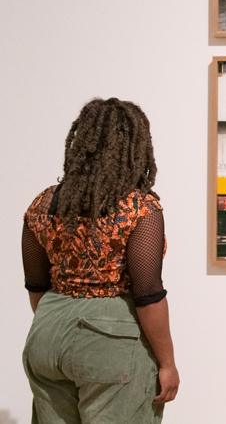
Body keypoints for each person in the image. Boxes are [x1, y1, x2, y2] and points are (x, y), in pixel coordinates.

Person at [21, 98, 179, 422]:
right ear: (135, 148)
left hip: (47, 333)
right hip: (111, 338)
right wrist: (167, 363)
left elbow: (36, 286)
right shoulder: (140, 209)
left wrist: (64, 322)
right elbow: (148, 293)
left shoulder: (42, 204)